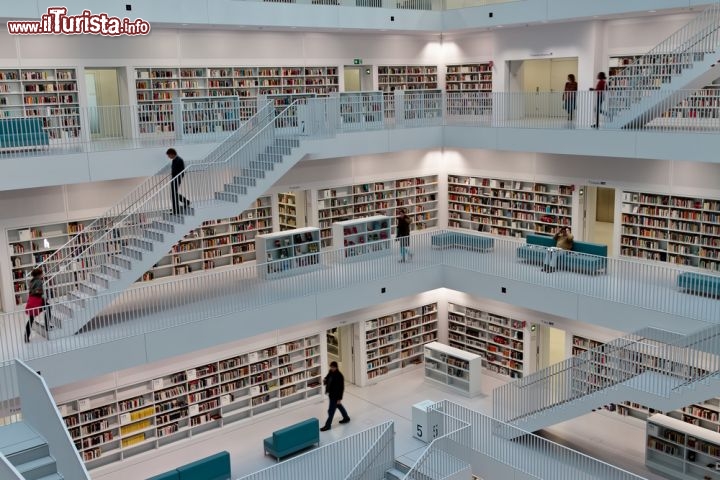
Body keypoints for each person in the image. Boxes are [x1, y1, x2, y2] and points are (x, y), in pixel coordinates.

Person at [320, 361, 350, 431]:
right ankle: (346, 418)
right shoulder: (330, 372)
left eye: (333, 367)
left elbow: (341, 388)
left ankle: (328, 425)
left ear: (336, 367)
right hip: (331, 394)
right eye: (331, 367)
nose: (331, 368)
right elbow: (327, 377)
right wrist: (325, 379)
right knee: (339, 406)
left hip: (336, 396)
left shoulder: (340, 376)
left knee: (331, 411)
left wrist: (339, 399)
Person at [167, 148, 191, 215]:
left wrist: (177, 178)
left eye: (169, 155)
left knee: (173, 194)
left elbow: (182, 171)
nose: (168, 157)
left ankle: (176, 210)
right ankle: (185, 202)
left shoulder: (179, 160)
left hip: (177, 179)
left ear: (172, 154)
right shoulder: (174, 160)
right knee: (174, 194)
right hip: (174, 179)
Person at [24, 268, 45, 342]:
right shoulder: (39, 281)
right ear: (39, 274)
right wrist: (43, 295)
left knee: (31, 319)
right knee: (48, 307)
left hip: (31, 300)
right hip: (37, 300)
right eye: (42, 273)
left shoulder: (32, 281)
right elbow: (38, 291)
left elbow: (31, 291)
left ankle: (26, 336)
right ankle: (47, 325)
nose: (42, 275)